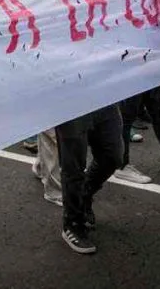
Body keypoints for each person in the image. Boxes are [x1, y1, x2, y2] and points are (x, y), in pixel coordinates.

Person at [55, 105, 123, 255]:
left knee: (113, 157)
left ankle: (84, 195)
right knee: (73, 168)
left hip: (104, 99)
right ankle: (72, 223)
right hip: (71, 104)